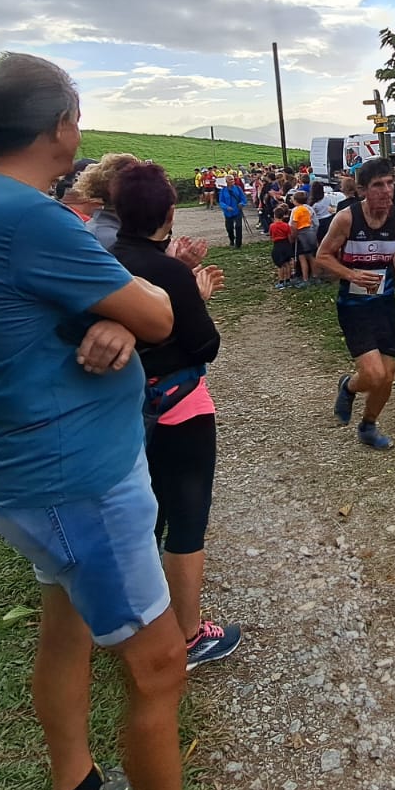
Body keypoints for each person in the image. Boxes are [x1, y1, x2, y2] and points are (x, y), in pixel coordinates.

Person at [0, 52, 189, 790]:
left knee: (65, 629)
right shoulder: (27, 216)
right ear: (62, 126)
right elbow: (163, 313)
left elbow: (114, 305)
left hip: (30, 470)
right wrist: (129, 310)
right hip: (78, 479)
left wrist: (115, 311)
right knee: (158, 664)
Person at [107, 160, 242, 671]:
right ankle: (189, 635)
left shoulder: (104, 261)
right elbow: (205, 343)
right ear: (169, 212)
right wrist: (198, 294)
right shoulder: (168, 274)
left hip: (122, 413)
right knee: (187, 520)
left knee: (144, 518)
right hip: (181, 408)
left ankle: (139, 623)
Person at [315, 158, 395, 451]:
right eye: (378, 185)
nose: (387, 190)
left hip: (385, 304)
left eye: (390, 183)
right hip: (354, 306)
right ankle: (348, 386)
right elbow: (323, 256)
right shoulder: (347, 219)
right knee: (374, 374)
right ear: (363, 189)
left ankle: (368, 425)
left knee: (387, 377)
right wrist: (352, 274)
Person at [289, 191, 317, 287]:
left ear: (296, 201)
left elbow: (294, 224)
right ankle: (315, 276)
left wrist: (293, 236)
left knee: (302, 257)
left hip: (301, 234)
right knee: (311, 255)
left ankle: (305, 279)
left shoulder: (296, 210)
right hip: (310, 232)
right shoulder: (308, 209)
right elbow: (315, 222)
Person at [216, 172, 246, 248]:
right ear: (226, 181)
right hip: (228, 212)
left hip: (237, 211)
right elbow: (221, 201)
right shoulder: (223, 191)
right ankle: (232, 240)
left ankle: (238, 244)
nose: (232, 181)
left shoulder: (238, 188)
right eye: (230, 179)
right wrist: (226, 207)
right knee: (229, 228)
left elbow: (243, 199)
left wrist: (242, 204)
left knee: (238, 227)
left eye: (233, 179)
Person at [268, 206, 295, 287]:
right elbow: (289, 236)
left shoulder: (272, 226)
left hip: (277, 245)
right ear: (283, 216)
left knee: (280, 265)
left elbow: (271, 236)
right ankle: (288, 280)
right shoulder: (286, 225)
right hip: (286, 244)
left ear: (275, 215)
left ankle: (281, 281)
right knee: (287, 264)